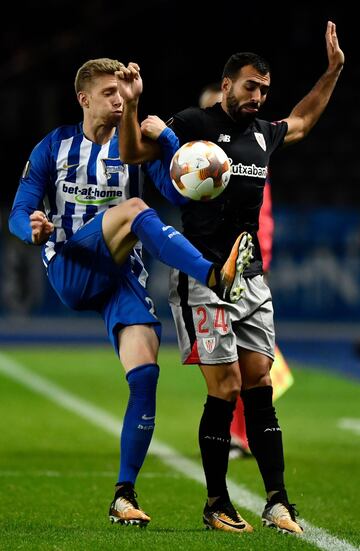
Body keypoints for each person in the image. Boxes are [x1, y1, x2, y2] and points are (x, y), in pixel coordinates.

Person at [116, 20, 344, 535]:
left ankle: (278, 501)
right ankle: (217, 501)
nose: (258, 97)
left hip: (249, 279)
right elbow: (133, 152)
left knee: (260, 382)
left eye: (264, 89)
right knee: (226, 387)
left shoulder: (264, 135)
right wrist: (132, 107)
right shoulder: (194, 122)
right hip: (201, 277)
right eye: (249, 87)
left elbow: (304, 120)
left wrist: (332, 71)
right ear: (227, 86)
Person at [8, 58, 255, 528]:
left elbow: (184, 193)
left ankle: (124, 494)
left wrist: (165, 138)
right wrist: (31, 228)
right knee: (135, 207)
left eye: (123, 94)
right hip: (71, 267)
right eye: (109, 94)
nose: (119, 101)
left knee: (145, 374)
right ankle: (213, 275)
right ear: (84, 99)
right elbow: (19, 210)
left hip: (122, 275)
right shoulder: (54, 147)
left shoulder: (135, 149)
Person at [198, 82, 294, 460]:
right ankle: (238, 435)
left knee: (251, 365)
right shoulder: (202, 167)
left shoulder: (250, 164)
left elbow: (261, 218)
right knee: (231, 367)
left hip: (248, 270)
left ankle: (242, 435)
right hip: (217, 270)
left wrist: (261, 260)